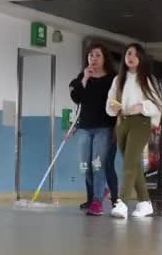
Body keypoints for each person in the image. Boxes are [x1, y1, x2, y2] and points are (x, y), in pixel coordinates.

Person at [106, 44, 162, 219]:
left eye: (136, 55)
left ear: (142, 59)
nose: (131, 57)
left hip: (141, 123)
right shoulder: (118, 80)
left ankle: (121, 202)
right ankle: (145, 203)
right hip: (122, 123)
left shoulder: (148, 79)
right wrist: (112, 108)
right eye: (128, 53)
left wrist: (142, 106)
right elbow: (110, 101)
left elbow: (158, 105)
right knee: (134, 164)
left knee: (129, 163)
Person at [69, 43, 118, 216]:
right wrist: (84, 78)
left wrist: (117, 127)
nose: (93, 59)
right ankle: (101, 190)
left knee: (98, 166)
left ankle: (97, 201)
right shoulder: (82, 77)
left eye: (97, 55)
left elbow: (116, 103)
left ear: (105, 58)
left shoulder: (113, 78)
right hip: (85, 127)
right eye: (91, 55)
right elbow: (76, 98)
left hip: (104, 128)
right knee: (85, 167)